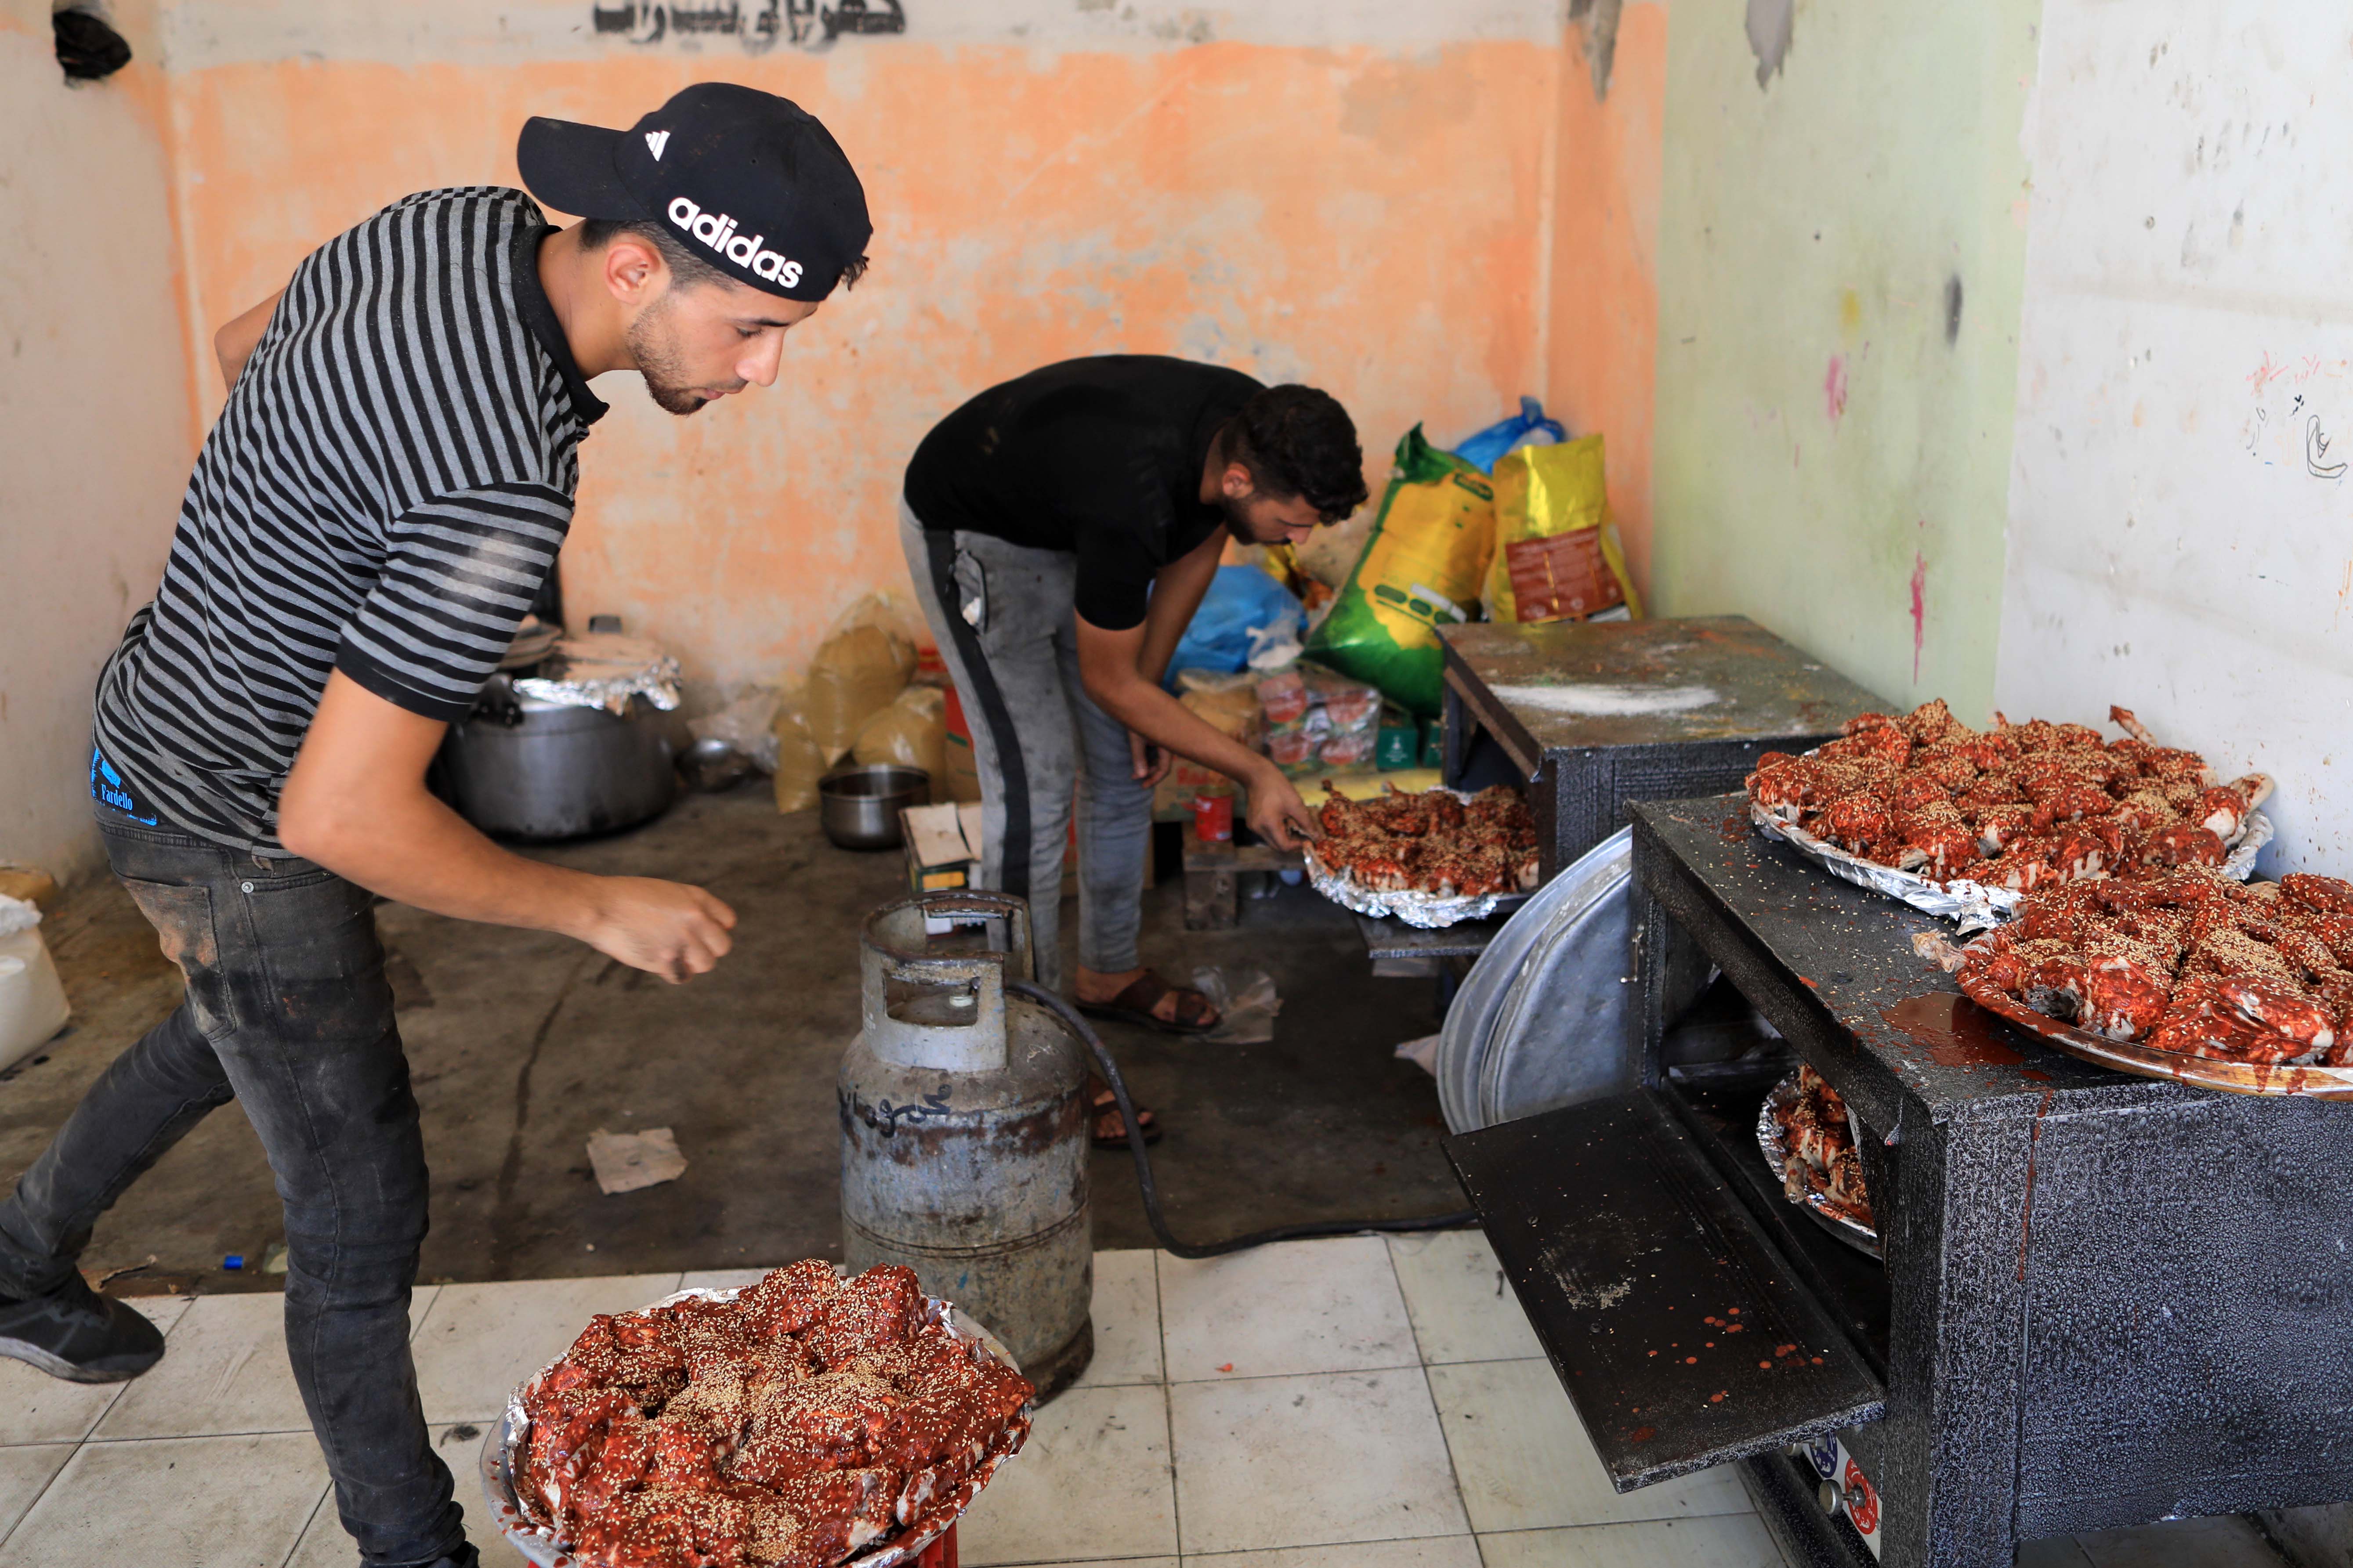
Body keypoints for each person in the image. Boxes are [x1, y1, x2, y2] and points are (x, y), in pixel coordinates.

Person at [0, 84, 869, 1568]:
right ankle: (416, 1550)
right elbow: (340, 814)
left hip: (150, 718)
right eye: (750, 327)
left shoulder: (441, 225)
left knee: (236, 1032)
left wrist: (309, 532)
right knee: (357, 1203)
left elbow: (237, 352)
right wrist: (599, 907)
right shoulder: (498, 482)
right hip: (236, 821)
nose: (767, 370)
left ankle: (14, 1260)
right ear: (635, 268)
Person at [901, 356, 1367, 1143]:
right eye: (1296, 520)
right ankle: (1020, 1050)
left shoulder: (1250, 428)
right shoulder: (1131, 492)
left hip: (1062, 522)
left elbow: (1194, 550)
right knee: (1036, 780)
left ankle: (1107, 970)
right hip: (973, 533)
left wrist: (1145, 702)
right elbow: (1108, 677)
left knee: (1124, 762)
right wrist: (1254, 767)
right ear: (1244, 479)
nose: (1302, 538)